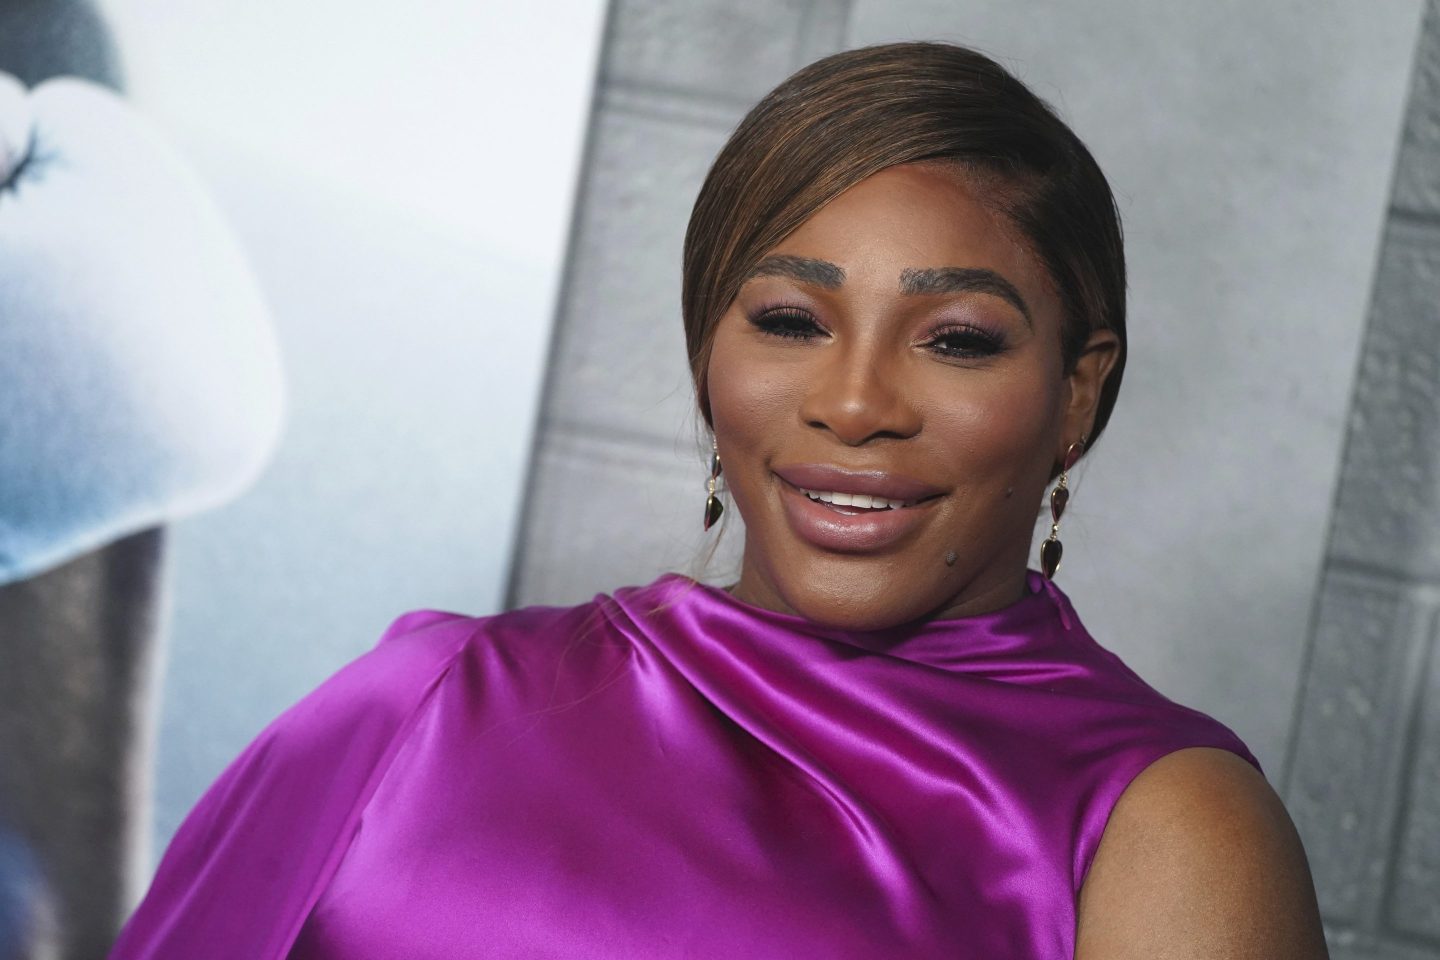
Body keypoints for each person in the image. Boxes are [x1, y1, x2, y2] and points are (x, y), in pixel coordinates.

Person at [109, 41, 1329, 959]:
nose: (854, 404)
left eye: (955, 339)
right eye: (790, 321)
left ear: (1077, 392)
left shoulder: (1162, 830)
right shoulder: (419, 706)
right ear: (709, 359)